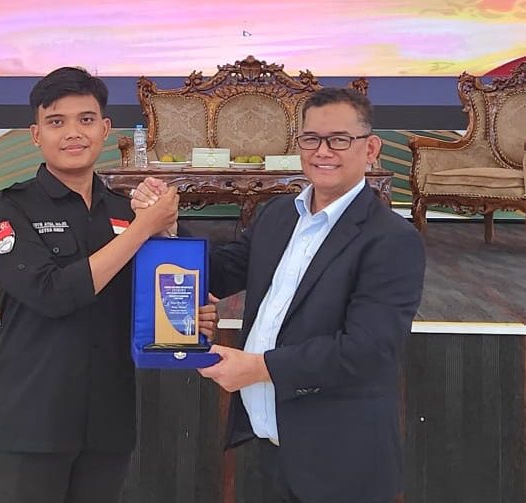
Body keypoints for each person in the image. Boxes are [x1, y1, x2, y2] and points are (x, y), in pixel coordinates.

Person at [133, 88, 426, 503]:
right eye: (311, 139)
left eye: (339, 139)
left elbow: (368, 351)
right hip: (274, 444)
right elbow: (221, 272)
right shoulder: (279, 215)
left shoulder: (391, 238)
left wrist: (260, 368)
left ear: (371, 148)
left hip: (344, 456)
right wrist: (167, 227)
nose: (323, 151)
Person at [0, 67, 215, 503]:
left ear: (105, 129)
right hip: (34, 423)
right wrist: (143, 229)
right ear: (36, 135)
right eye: (57, 122)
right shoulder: (11, 208)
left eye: (86, 119)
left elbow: (151, 297)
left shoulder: (125, 210)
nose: (73, 133)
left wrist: (187, 315)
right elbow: (52, 294)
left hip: (108, 422)